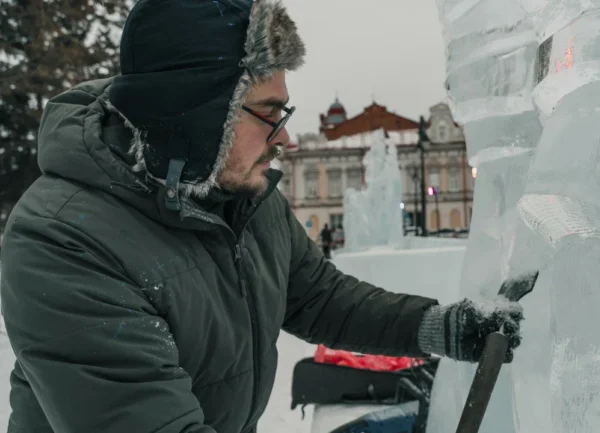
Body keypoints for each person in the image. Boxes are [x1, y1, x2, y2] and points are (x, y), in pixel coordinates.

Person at [0, 1, 531, 432]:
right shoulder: (63, 242)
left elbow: (318, 297)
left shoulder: (239, 196)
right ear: (197, 114)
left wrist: (439, 327)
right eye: (269, 114)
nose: (282, 139)